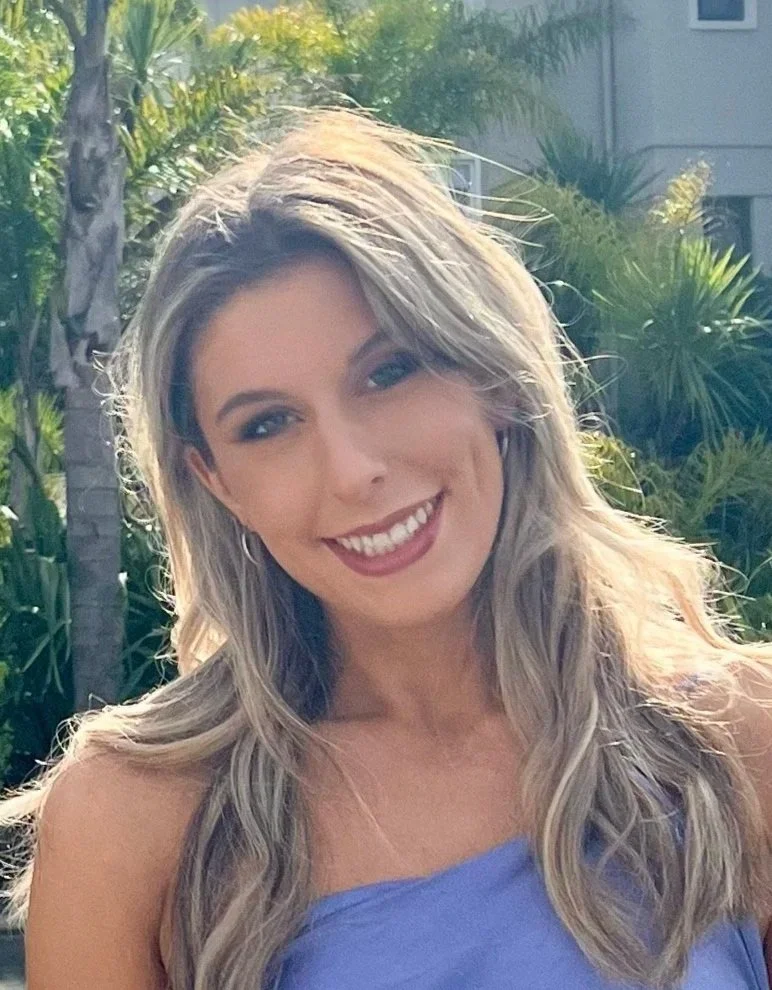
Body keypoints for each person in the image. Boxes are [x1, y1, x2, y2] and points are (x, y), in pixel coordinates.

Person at [1, 107, 771, 990]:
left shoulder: (738, 742)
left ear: (495, 378)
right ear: (215, 480)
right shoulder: (133, 821)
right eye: (269, 424)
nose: (353, 471)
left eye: (390, 371)